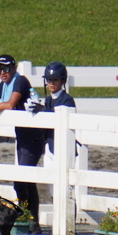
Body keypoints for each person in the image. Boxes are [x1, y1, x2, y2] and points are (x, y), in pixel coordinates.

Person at [0, 54, 45, 234]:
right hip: (23, 135)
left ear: (13, 68)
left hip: (33, 135)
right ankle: (26, 217)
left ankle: (33, 221)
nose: (2, 73)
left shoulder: (20, 81)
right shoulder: (3, 84)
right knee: (21, 180)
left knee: (25, 179)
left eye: (6, 69)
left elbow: (10, 104)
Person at [27, 61, 77, 202]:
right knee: (51, 184)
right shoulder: (48, 100)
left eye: (55, 80)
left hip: (62, 147)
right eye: (49, 80)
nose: (51, 83)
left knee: (65, 187)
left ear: (62, 81)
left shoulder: (67, 100)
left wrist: (42, 111)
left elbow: (58, 118)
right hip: (49, 146)